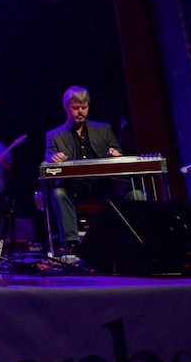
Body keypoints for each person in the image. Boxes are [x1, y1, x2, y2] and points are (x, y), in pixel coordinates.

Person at [44, 85, 142, 257]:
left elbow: (116, 152)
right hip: (74, 190)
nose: (80, 111)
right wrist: (54, 159)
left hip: (104, 187)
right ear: (66, 107)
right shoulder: (54, 135)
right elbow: (49, 160)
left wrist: (115, 154)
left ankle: (137, 240)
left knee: (136, 194)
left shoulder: (103, 130)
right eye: (76, 108)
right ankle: (71, 243)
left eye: (84, 107)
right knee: (59, 192)